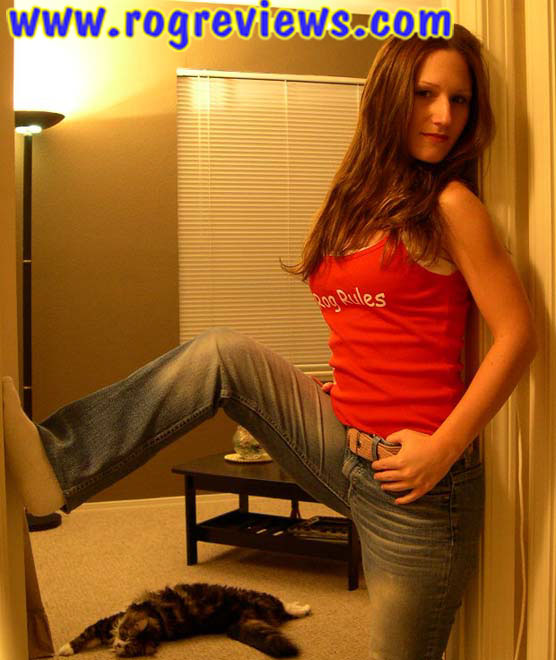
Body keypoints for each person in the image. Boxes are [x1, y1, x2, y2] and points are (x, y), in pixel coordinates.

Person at [3, 23, 537, 660]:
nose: (444, 115)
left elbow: (519, 334)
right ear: (389, 95)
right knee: (220, 354)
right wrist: (339, 386)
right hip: (344, 443)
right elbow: (372, 325)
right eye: (426, 94)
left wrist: (444, 449)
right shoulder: (353, 204)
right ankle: (57, 466)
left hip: (418, 481)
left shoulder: (451, 205)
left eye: (460, 99)